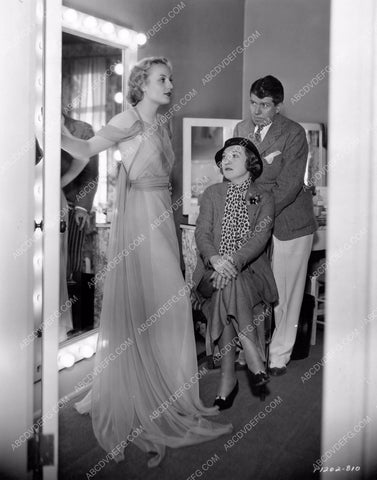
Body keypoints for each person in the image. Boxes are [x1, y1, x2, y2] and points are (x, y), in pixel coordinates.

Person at [61, 57, 231, 467]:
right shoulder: (127, 121)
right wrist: (53, 131)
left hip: (160, 217)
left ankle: (167, 389)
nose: (170, 83)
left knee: (164, 302)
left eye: (171, 77)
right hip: (139, 220)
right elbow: (84, 150)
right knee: (164, 300)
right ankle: (143, 393)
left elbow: (160, 177)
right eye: (162, 79)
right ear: (141, 84)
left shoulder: (164, 122)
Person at [234, 75, 317, 375]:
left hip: (289, 221)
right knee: (253, 288)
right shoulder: (241, 129)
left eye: (265, 105)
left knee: (285, 291)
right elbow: (234, 171)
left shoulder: (293, 134)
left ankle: (279, 356)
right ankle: (252, 352)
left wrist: (262, 215)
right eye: (253, 103)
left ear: (278, 106)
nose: (257, 111)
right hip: (254, 217)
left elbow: (289, 185)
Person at [192, 137, 278, 409]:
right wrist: (216, 259)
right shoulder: (212, 193)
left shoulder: (263, 198)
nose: (226, 161)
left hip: (250, 274)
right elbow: (202, 233)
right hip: (211, 273)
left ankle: (227, 381)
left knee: (229, 284)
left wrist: (231, 262)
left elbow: (260, 238)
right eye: (224, 157)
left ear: (251, 163)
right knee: (228, 283)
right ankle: (250, 347)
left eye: (234, 155)